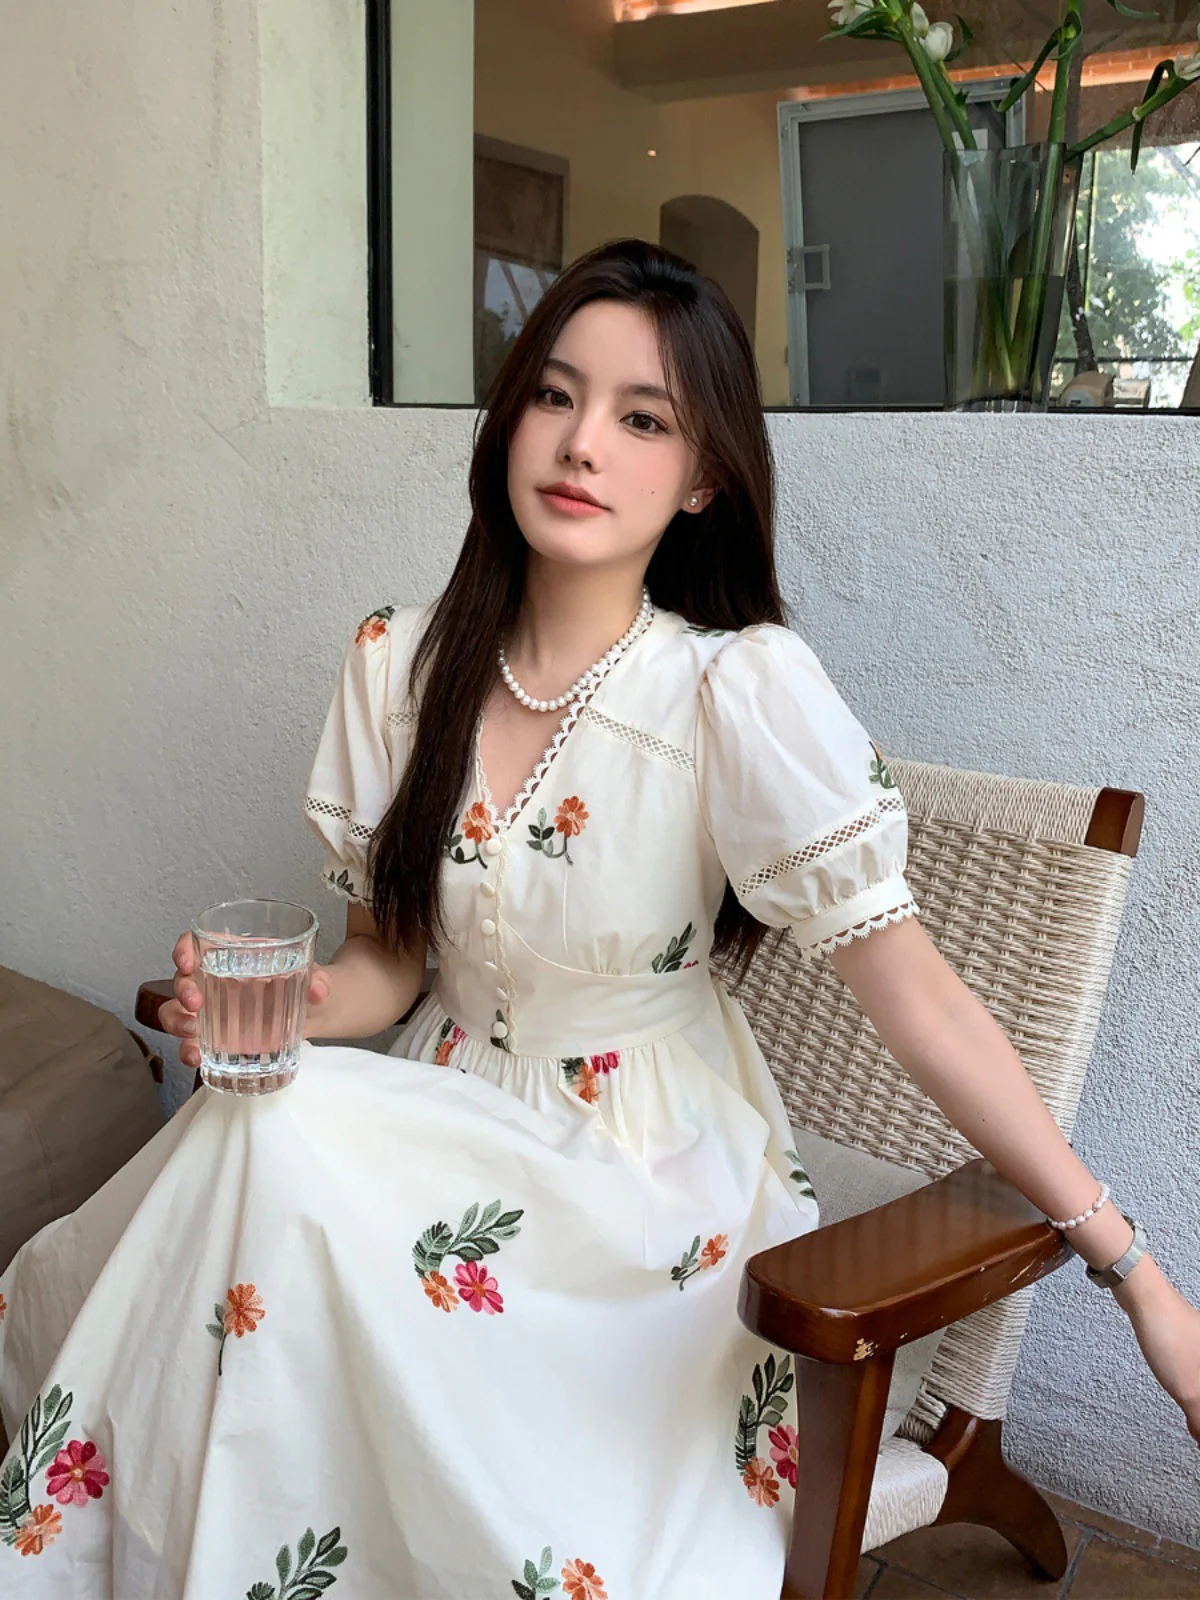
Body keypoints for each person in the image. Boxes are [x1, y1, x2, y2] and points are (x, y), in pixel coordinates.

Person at [1, 240, 1196, 1599]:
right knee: (262, 1128)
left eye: (644, 419)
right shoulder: (398, 668)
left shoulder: (732, 694)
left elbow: (921, 1003)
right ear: (510, 420)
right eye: (555, 397)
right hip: (441, 1115)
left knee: (274, 1171)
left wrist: (1137, 1276)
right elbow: (386, 966)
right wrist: (282, 1009)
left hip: (643, 1178)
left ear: (703, 479)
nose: (582, 444)